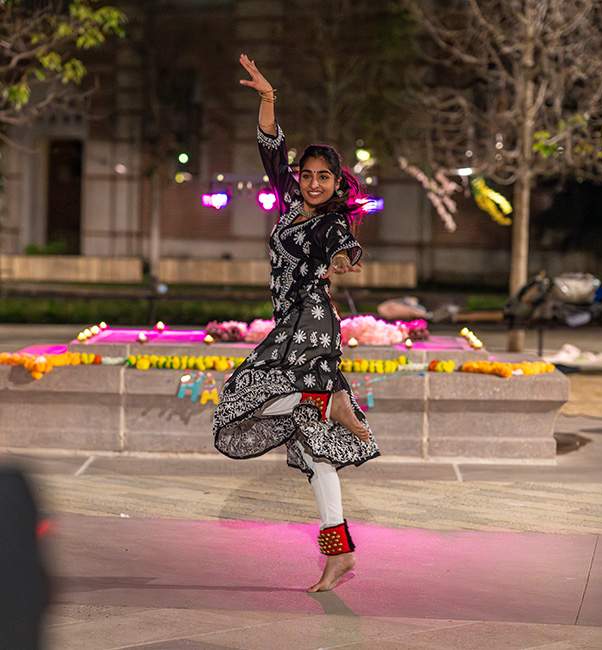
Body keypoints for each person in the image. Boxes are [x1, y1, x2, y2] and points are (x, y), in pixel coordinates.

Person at [212, 54, 380, 592]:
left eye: (322, 177)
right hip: (293, 323)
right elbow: (271, 152)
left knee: (241, 398)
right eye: (306, 175)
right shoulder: (291, 204)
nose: (310, 183)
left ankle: (328, 400)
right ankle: (340, 551)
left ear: (337, 184)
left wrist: (346, 259)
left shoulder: (331, 223)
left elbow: (346, 246)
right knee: (312, 447)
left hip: (308, 326)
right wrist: (268, 100)